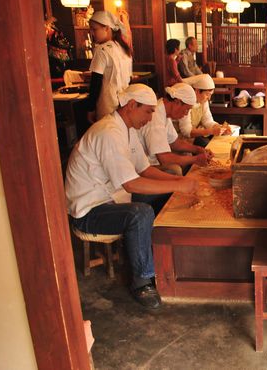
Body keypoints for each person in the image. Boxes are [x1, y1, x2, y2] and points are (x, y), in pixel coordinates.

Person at [65, 83, 206, 309]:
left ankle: (158, 253)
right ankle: (142, 280)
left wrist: (177, 183)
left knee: (161, 198)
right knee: (141, 213)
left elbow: (144, 170)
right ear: (132, 105)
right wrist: (179, 185)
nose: (151, 118)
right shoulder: (108, 133)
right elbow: (131, 184)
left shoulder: (128, 130)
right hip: (89, 211)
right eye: (148, 111)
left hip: (111, 198)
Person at [138, 83, 212, 176]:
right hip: (144, 165)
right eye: (186, 110)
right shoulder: (156, 116)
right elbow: (164, 159)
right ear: (177, 102)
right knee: (174, 169)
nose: (186, 114)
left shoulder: (164, 111)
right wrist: (196, 159)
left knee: (186, 155)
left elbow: (175, 142)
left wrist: (198, 150)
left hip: (154, 161)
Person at [86, 11, 133, 121]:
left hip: (108, 104)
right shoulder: (123, 48)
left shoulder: (102, 50)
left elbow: (95, 82)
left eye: (94, 29)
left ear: (107, 28)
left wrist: (90, 108)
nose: (92, 33)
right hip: (125, 102)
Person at [177, 74, 232, 146]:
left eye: (211, 95)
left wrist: (220, 128)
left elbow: (207, 121)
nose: (209, 98)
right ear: (197, 91)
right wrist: (211, 131)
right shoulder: (186, 102)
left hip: (193, 138)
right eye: (207, 94)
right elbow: (186, 131)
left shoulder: (203, 101)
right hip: (179, 141)